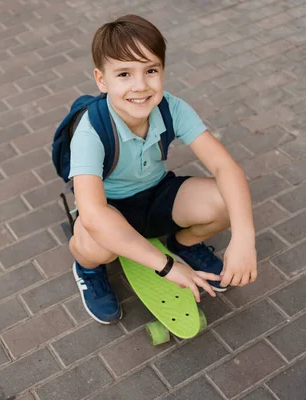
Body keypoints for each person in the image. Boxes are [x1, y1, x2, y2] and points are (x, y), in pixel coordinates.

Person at [66, 14, 257, 324]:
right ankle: (87, 268)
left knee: (226, 202)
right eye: (124, 74)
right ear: (102, 80)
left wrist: (244, 237)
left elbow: (226, 168)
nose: (141, 86)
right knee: (95, 242)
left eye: (151, 70)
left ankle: (183, 242)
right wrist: (167, 267)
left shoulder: (171, 107)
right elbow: (94, 214)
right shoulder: (92, 129)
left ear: (163, 71)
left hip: (156, 195)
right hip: (110, 208)